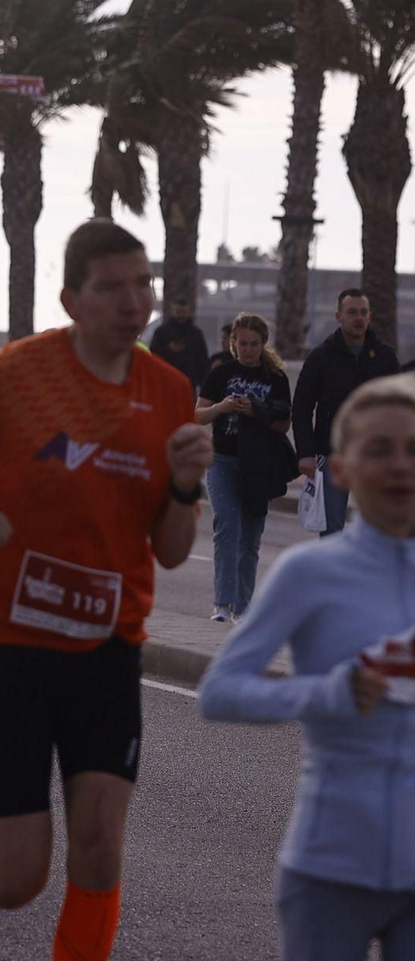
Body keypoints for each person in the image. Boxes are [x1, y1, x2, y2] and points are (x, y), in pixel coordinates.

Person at [0, 219, 212, 961]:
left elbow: (171, 548)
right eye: (111, 288)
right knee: (23, 871)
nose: (133, 303)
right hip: (15, 641)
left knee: (98, 849)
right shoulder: (15, 372)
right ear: (71, 297)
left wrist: (187, 485)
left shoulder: (168, 390)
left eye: (143, 285)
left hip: (109, 643)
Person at [199, 373, 415, 961]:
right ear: (339, 471)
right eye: (378, 450)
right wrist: (326, 693)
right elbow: (220, 692)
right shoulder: (309, 572)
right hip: (329, 866)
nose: (400, 466)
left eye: (413, 450)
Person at [195, 312, 296, 623]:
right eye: (242, 343)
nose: (248, 349)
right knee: (227, 526)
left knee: (250, 537)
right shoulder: (221, 373)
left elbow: (283, 422)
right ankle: (222, 605)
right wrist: (221, 407)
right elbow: (198, 415)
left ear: (263, 343)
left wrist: (256, 410)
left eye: (254, 343)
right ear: (233, 343)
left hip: (259, 464)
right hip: (222, 459)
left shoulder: (275, 378)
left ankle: (243, 607)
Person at [293, 288, 399, 536]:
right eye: (352, 312)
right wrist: (306, 453)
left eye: (363, 313)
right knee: (332, 531)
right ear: (339, 316)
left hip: (375, 454)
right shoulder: (321, 357)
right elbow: (301, 406)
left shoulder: (384, 356)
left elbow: (398, 406)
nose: (358, 318)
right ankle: (334, 575)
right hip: (332, 455)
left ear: (370, 317)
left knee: (380, 530)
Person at [149, 295, 210, 394]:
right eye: (178, 312)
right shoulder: (162, 332)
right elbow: (153, 355)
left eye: (183, 312)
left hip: (189, 382)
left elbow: (202, 359)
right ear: (173, 311)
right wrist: (169, 350)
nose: (181, 315)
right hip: (165, 382)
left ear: (189, 312)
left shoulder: (196, 333)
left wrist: (203, 383)